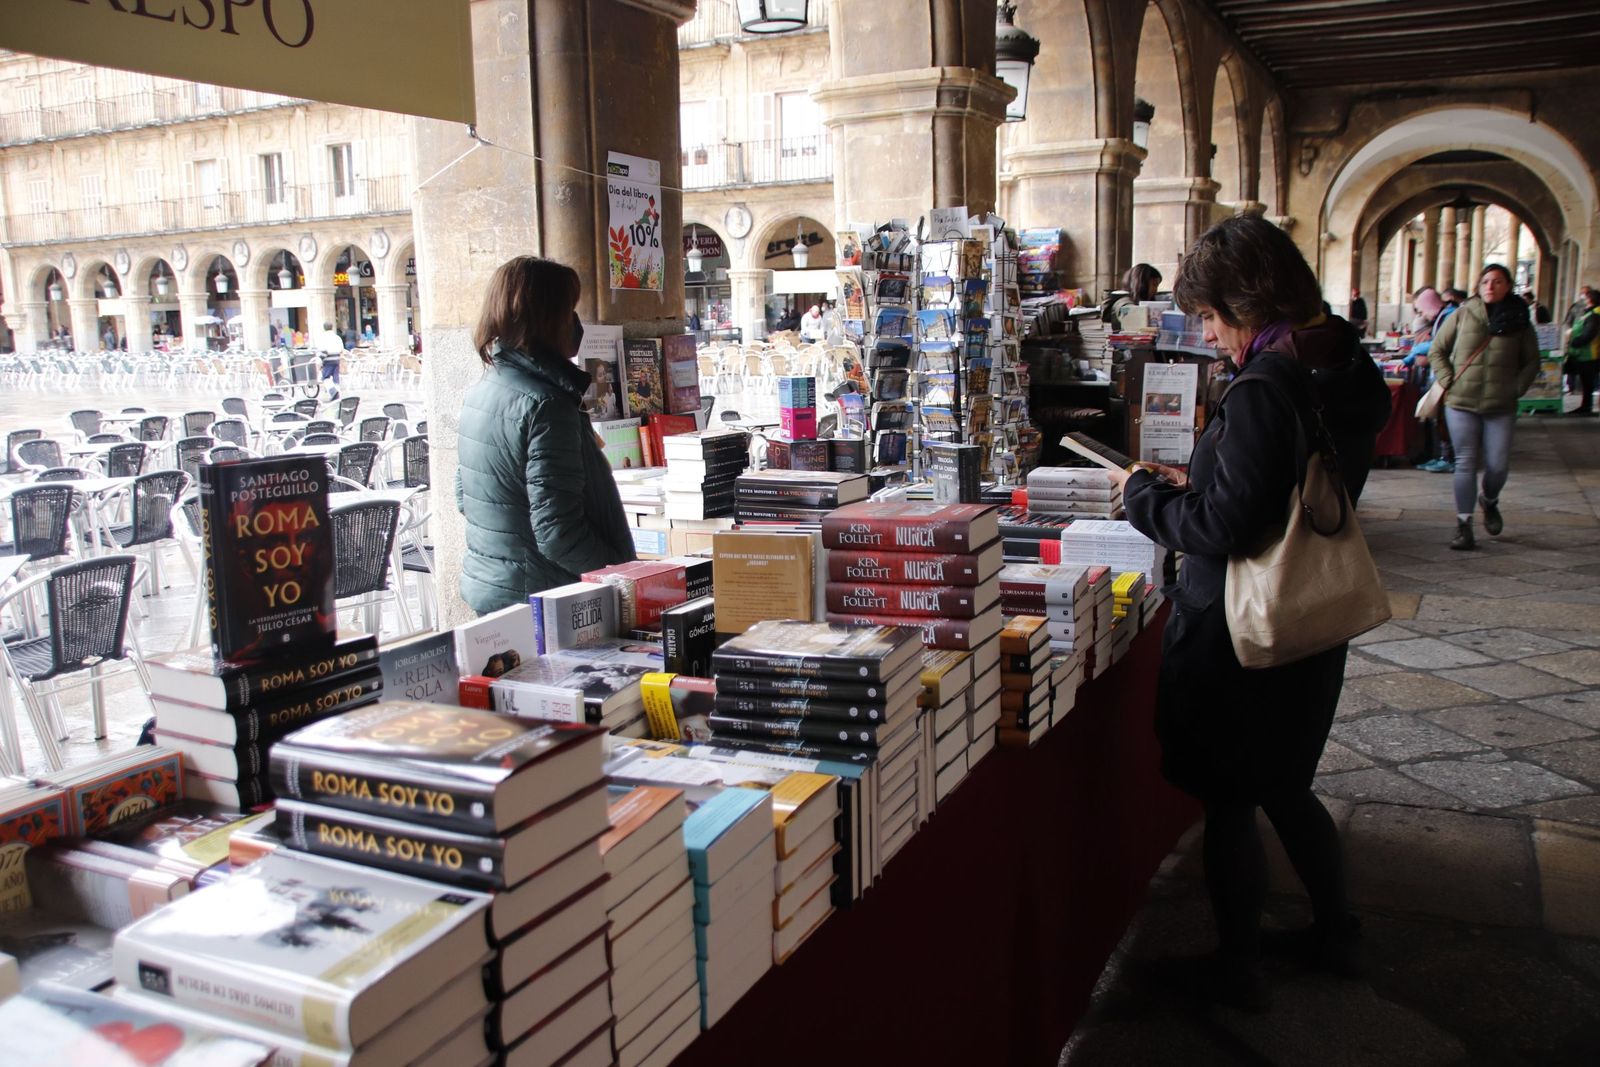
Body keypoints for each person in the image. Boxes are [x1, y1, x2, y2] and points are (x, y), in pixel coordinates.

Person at [1106, 214, 1390, 1012]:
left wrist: (1145, 496)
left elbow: (1224, 528)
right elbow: (1273, 490)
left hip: (1246, 631)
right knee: (1289, 785)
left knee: (1231, 797)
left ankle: (1237, 968)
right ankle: (1338, 933)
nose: (1208, 333)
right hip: (1308, 616)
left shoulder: (1266, 385)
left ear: (1245, 301)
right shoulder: (1335, 369)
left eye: (1208, 316)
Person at [456, 255, 634, 613]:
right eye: (570, 310)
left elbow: (465, 497)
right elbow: (559, 533)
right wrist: (624, 576)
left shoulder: (484, 389)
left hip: (496, 587)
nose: (576, 322)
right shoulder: (547, 404)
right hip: (544, 598)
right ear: (548, 318)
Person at [1431, 264, 1540, 550]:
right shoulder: (1463, 314)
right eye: (1485, 282)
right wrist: (1448, 379)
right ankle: (1463, 524)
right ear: (1479, 286)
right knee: (1465, 462)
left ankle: (1489, 500)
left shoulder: (1520, 321)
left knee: (1498, 465)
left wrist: (1516, 389)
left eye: (1498, 281)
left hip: (1500, 404)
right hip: (1461, 401)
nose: (1490, 286)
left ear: (1508, 286)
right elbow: (1437, 349)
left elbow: (1532, 361)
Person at [1564, 287, 1600, 416]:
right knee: (1586, 381)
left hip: (1589, 353)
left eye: (1585, 296)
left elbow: (1589, 333)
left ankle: (1586, 406)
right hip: (1586, 353)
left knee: (1587, 381)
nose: (1582, 298)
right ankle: (1586, 405)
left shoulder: (1594, 315)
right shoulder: (1591, 313)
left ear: (1590, 299)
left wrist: (1576, 341)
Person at [313, 321, 344, 392]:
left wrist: (318, 362)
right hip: (336, 358)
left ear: (324, 328)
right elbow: (341, 349)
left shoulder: (322, 338)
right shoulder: (337, 337)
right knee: (336, 376)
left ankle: (332, 391)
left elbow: (321, 350)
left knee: (326, 377)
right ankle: (338, 391)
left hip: (327, 359)